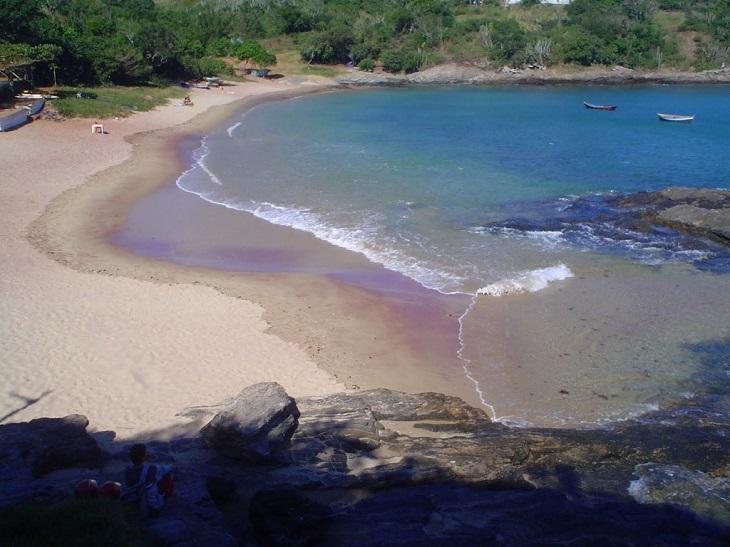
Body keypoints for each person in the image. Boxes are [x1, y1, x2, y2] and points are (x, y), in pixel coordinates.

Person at [124, 443, 173, 516]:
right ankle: (166, 495)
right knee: (166, 475)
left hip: (134, 504)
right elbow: (169, 468)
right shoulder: (151, 469)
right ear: (144, 457)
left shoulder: (127, 471)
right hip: (151, 508)